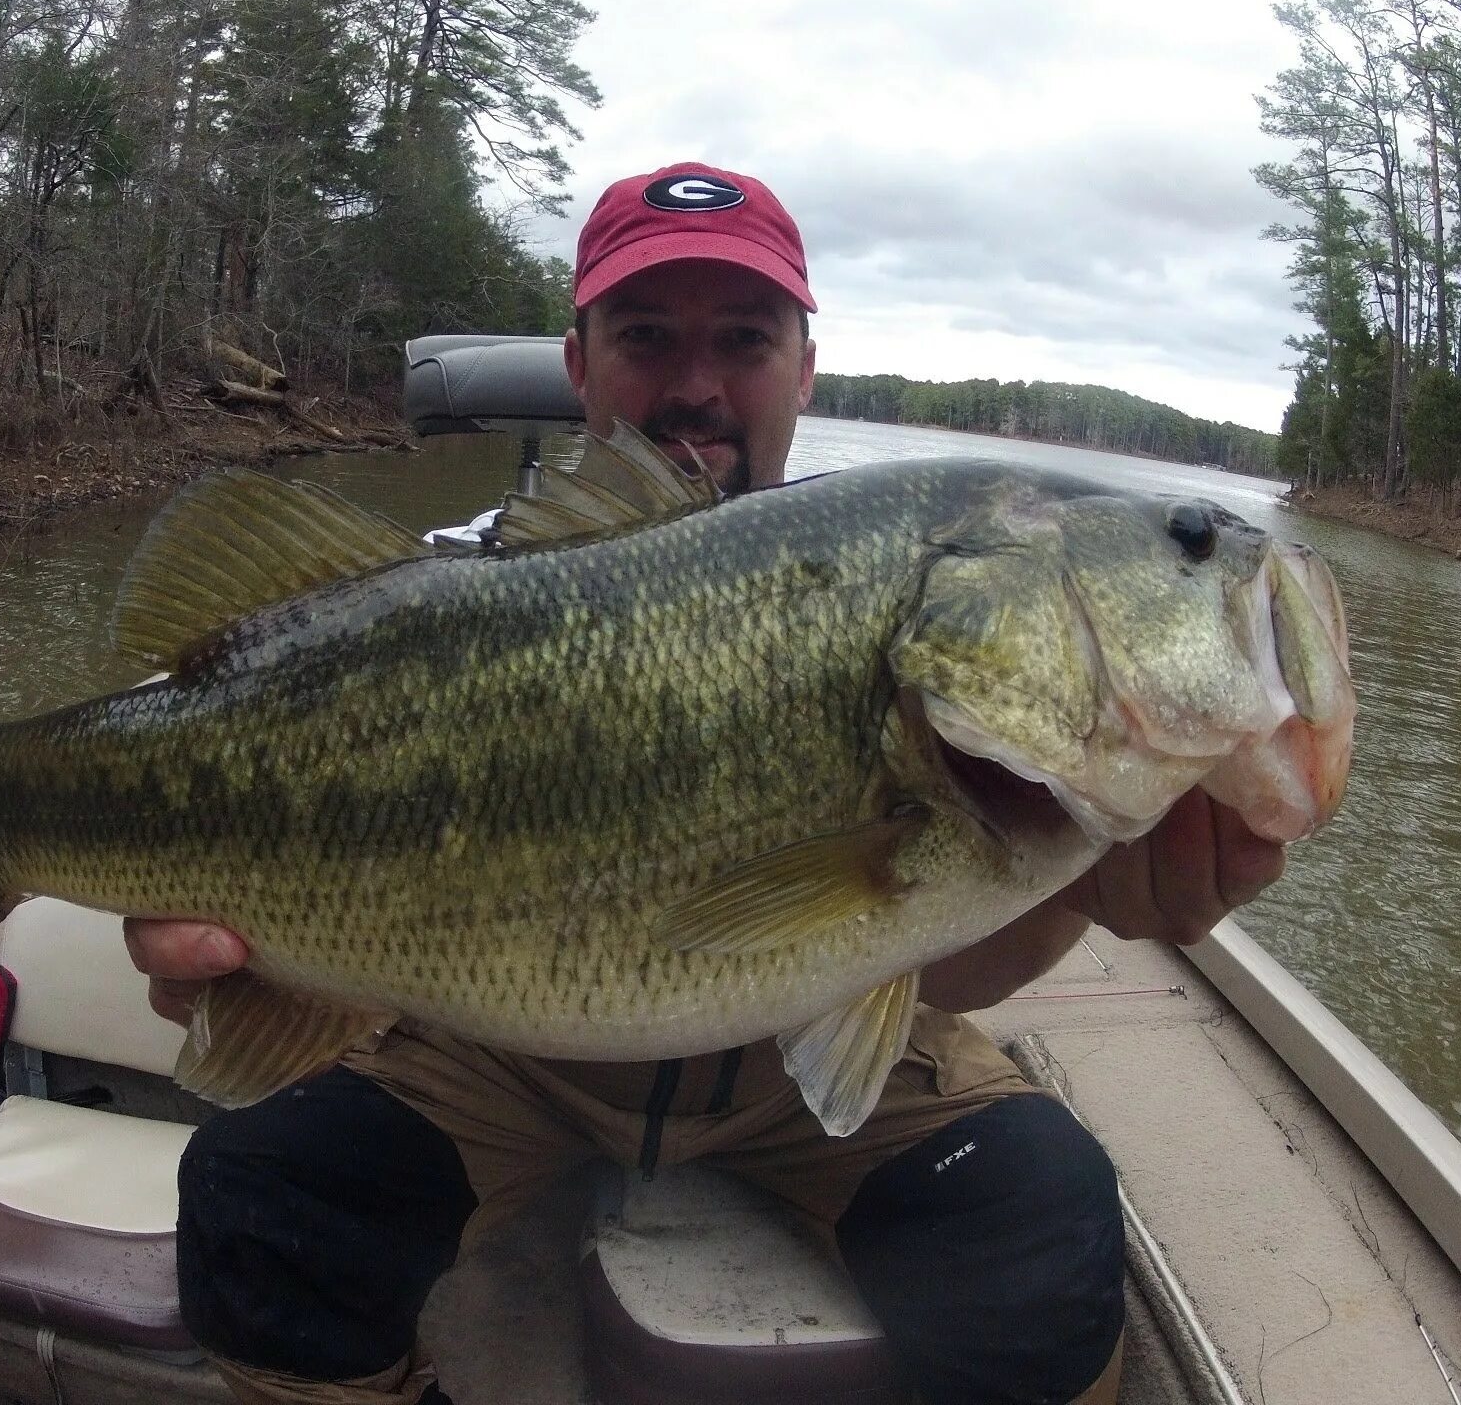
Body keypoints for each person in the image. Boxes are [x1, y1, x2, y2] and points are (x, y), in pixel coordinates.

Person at [125, 163, 1288, 1405]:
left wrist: (1082, 888)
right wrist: (216, 941)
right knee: (264, 1202)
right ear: (578, 364)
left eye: (743, 339)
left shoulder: (888, 595)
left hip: (804, 1054)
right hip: (495, 1044)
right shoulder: (430, 599)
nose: (695, 384)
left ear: (804, 365)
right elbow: (204, 763)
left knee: (1042, 1238)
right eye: (645, 338)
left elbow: (932, 960)